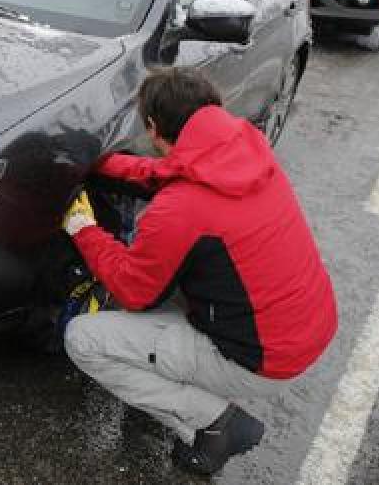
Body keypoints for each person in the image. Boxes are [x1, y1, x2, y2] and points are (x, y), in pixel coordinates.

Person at [60, 67, 337, 476]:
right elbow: (169, 170)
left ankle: (216, 423)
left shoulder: (180, 209)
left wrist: (83, 230)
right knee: (169, 272)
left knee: (82, 338)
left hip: (261, 360)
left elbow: (133, 289)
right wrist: (99, 165)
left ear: (153, 128)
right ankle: (183, 376)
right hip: (305, 328)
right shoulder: (245, 145)